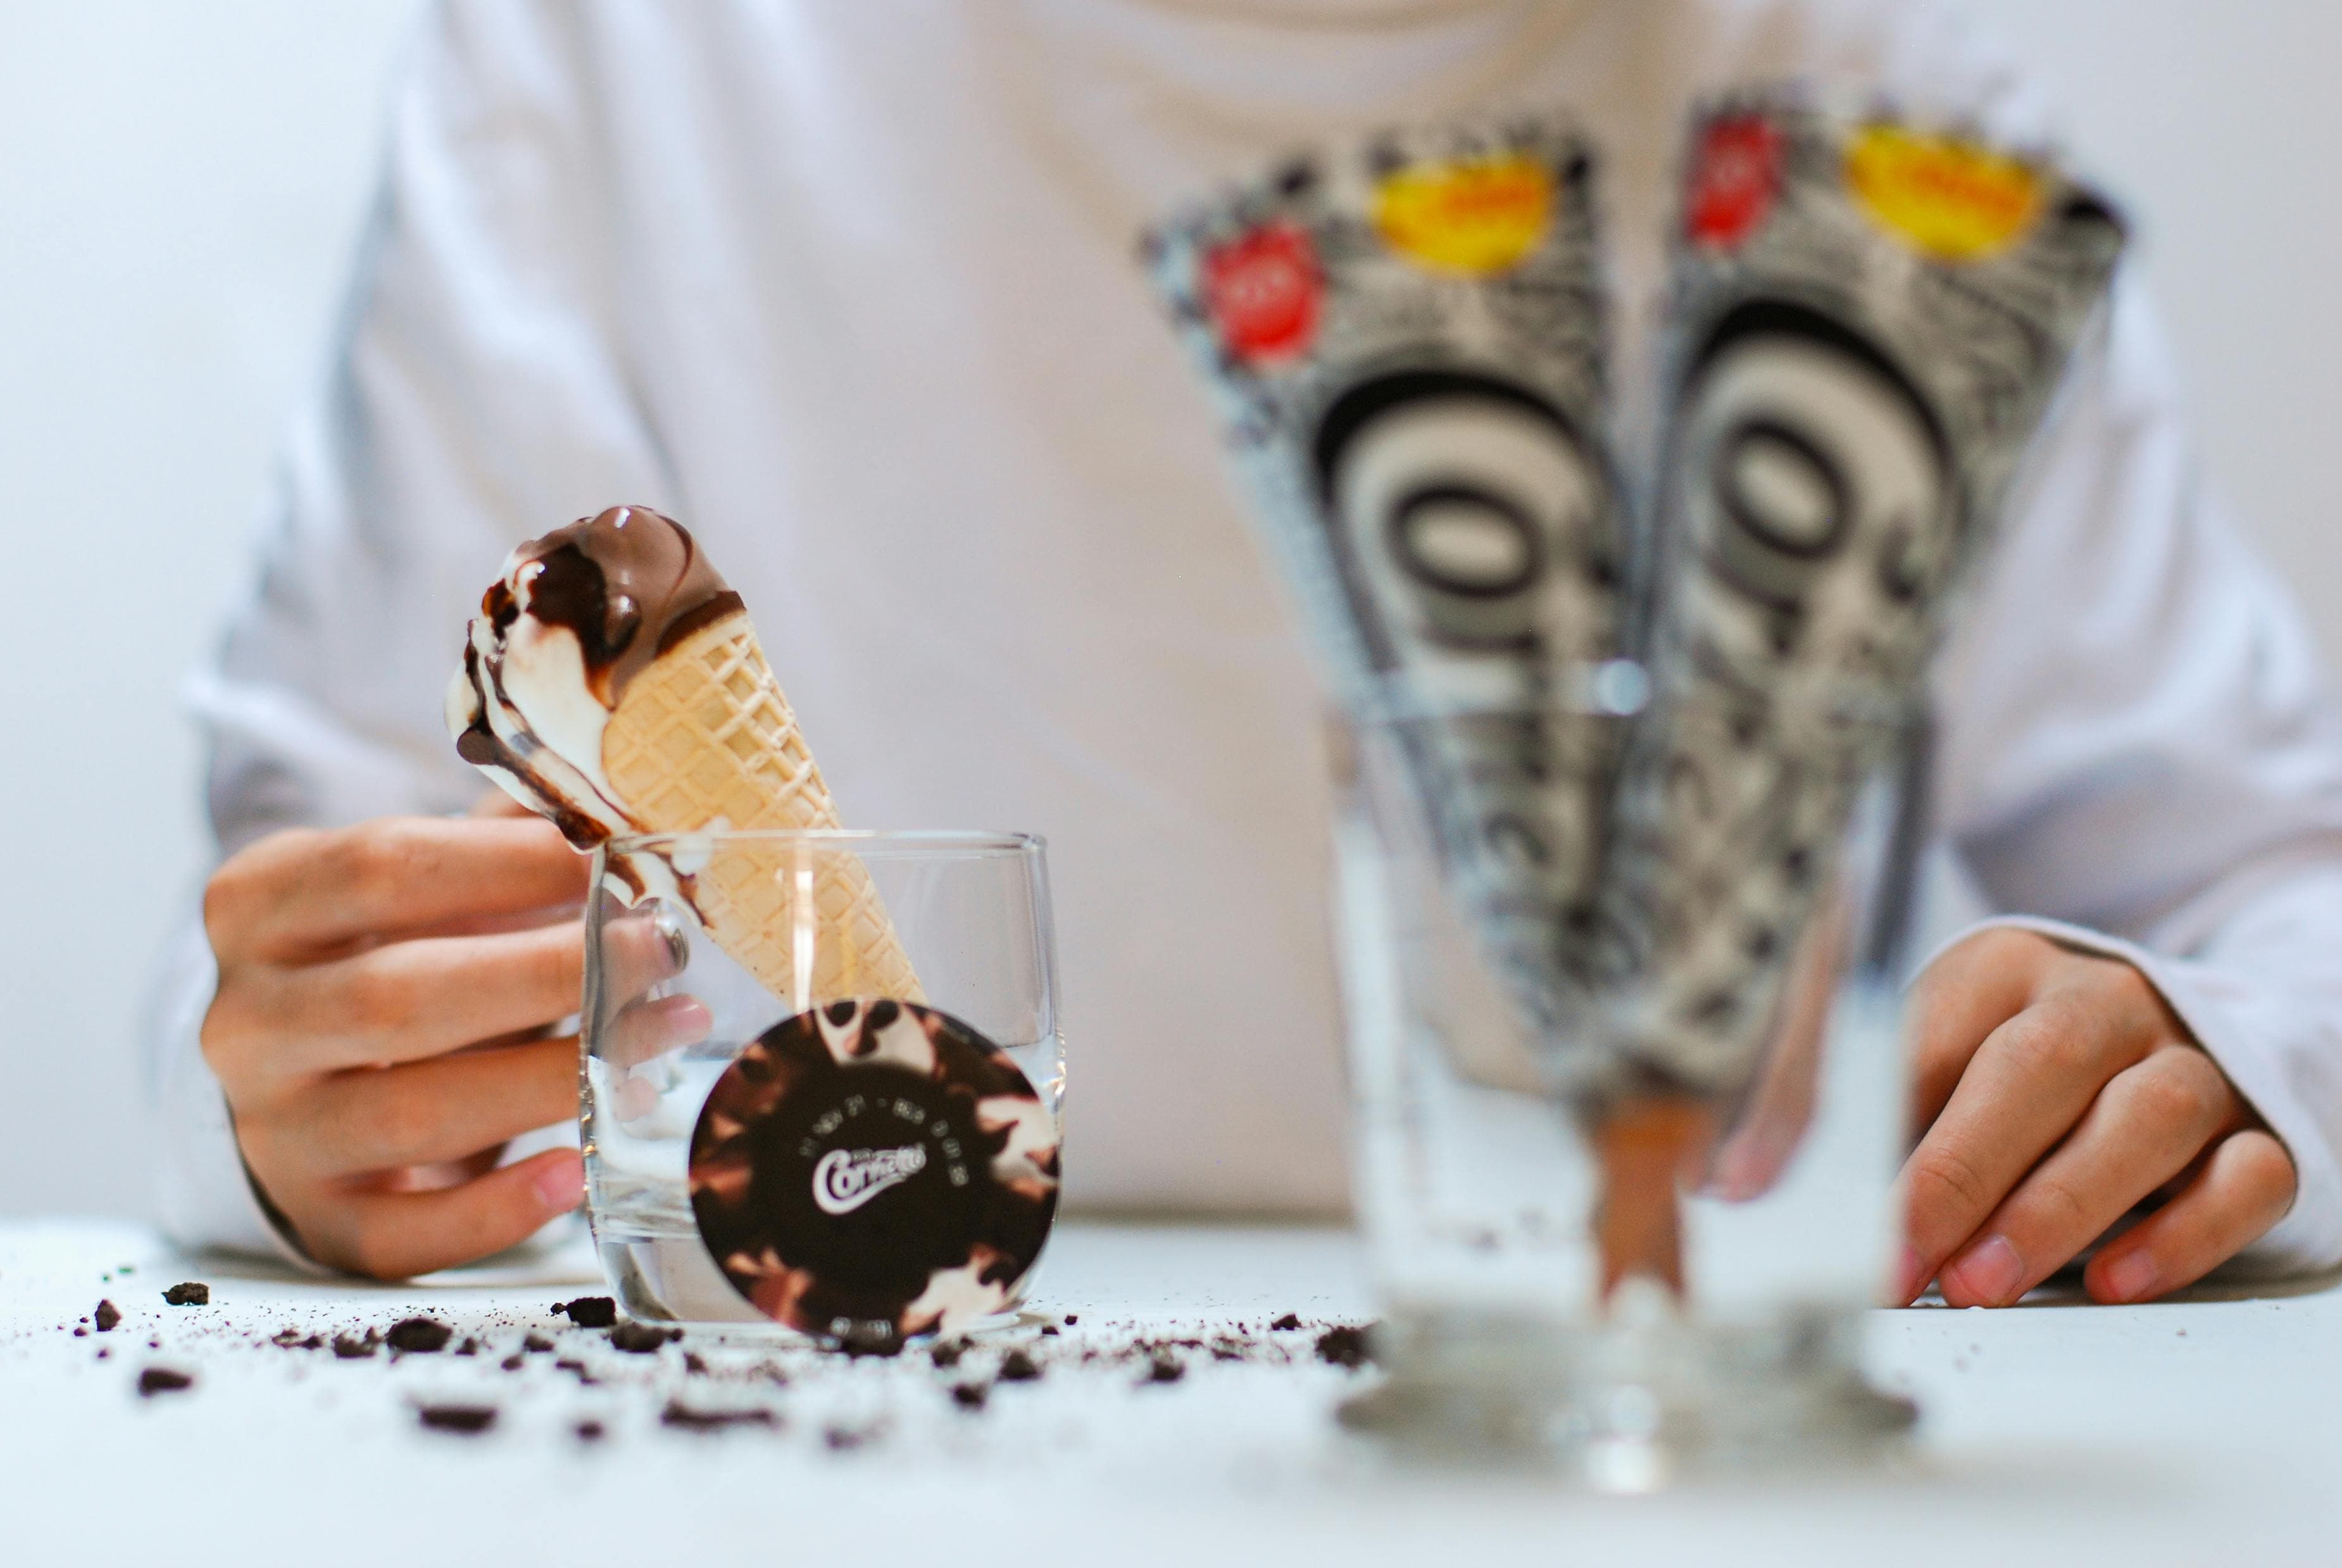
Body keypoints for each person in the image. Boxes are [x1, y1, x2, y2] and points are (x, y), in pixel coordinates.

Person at [153, 0, 2342, 1303]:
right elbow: (259, 966)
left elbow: (2288, 895)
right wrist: (299, 1110)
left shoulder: (1858, 107)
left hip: (1651, 1420)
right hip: (830, 1430)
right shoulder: (629, 61)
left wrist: (2213, 1049)